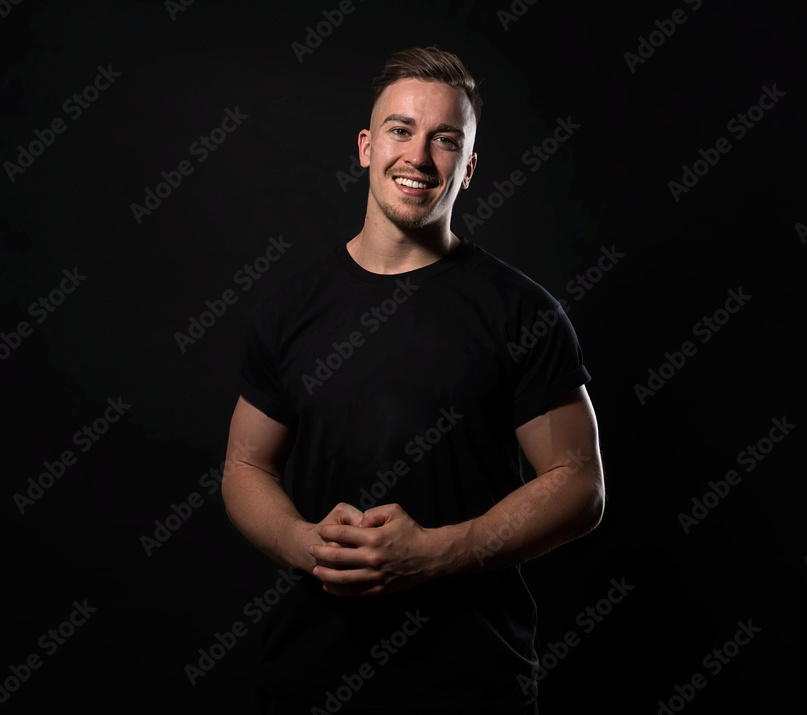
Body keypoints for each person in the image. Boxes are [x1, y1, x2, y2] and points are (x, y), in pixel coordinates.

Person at [222, 46, 605, 714]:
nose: (419, 157)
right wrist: (305, 542)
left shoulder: (522, 312)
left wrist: (432, 553)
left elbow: (580, 484)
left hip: (471, 687)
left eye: (445, 140)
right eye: (401, 130)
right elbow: (245, 465)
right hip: (306, 684)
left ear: (469, 167)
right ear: (367, 147)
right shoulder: (291, 307)